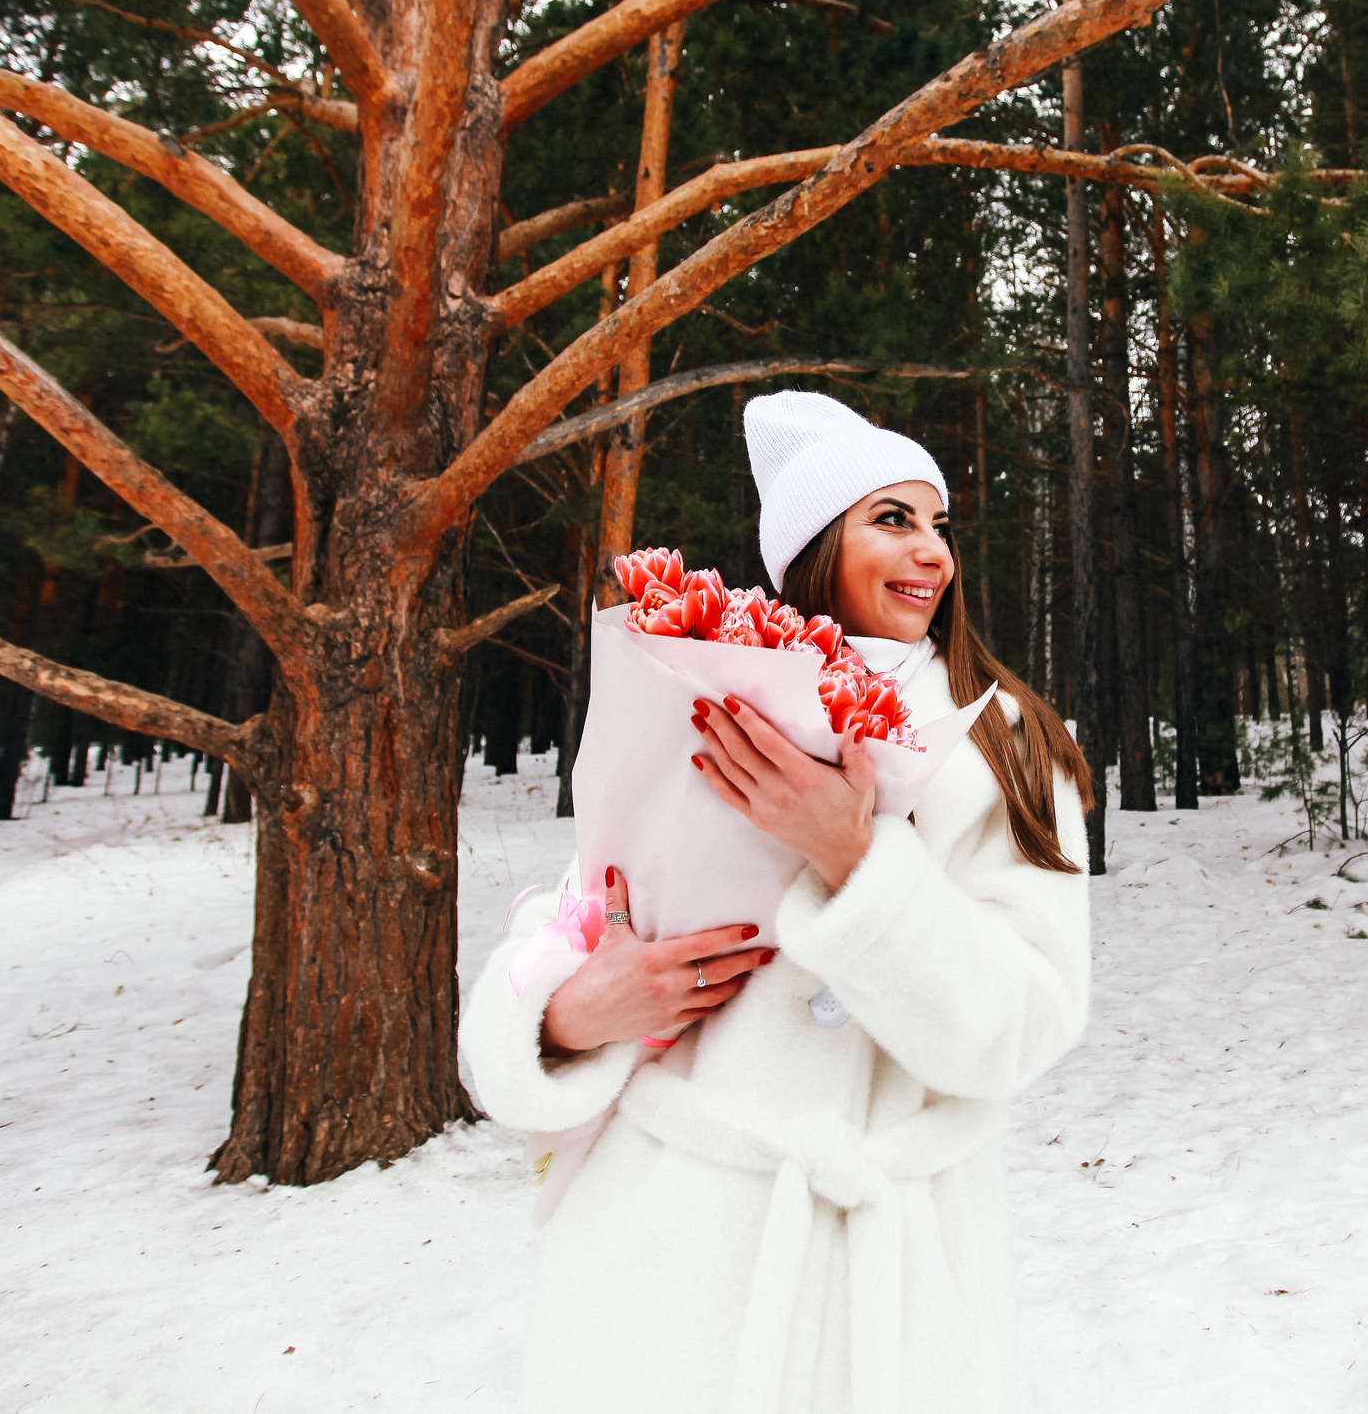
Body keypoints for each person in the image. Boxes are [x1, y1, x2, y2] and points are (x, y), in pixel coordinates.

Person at [460, 389, 1092, 1414]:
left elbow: (1023, 1029)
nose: (931, 551)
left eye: (940, 525)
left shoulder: (1005, 741)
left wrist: (859, 867)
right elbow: (580, 921)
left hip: (892, 1288)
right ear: (812, 547)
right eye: (892, 520)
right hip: (667, 1270)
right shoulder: (701, 693)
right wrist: (568, 1017)